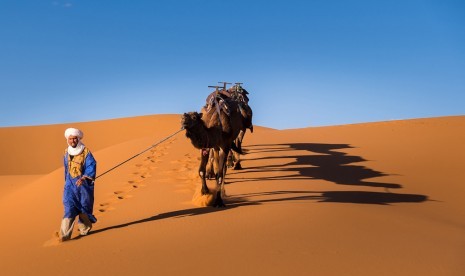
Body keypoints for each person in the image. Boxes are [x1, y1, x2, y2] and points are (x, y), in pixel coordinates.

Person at [59, 128, 97, 241]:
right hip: (69, 185)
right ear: (68, 140)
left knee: (83, 208)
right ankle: (64, 235)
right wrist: (67, 182)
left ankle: (84, 229)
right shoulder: (66, 152)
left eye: (75, 138)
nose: (73, 140)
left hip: (82, 186)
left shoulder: (85, 151)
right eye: (70, 138)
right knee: (69, 207)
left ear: (78, 138)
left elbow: (91, 165)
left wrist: (85, 177)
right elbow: (66, 169)